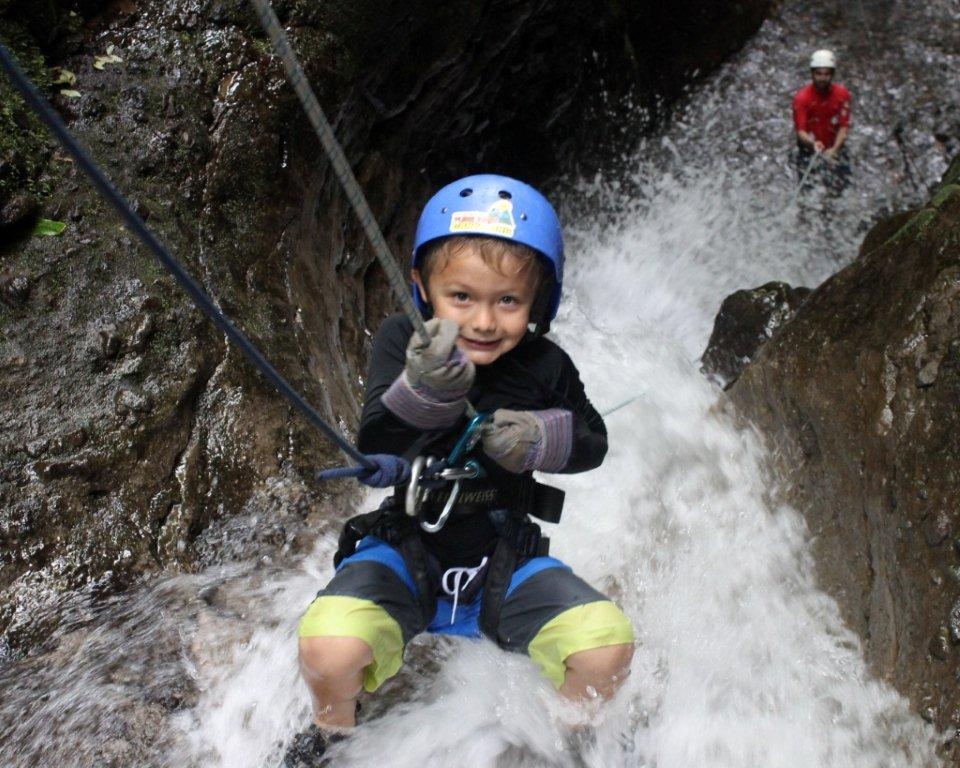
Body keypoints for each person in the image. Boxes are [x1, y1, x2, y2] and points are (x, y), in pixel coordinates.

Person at [284, 174, 635, 766]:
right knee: (328, 650)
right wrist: (425, 389)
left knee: (606, 649)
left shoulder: (548, 364)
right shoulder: (405, 340)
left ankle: (565, 740)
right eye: (461, 297)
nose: (483, 322)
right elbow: (378, 435)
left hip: (505, 557)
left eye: (508, 301)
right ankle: (331, 737)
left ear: (539, 303)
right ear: (424, 289)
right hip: (408, 549)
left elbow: (593, 443)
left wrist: (537, 440)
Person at [792, 49, 852, 194]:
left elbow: (843, 128)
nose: (822, 78)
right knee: (807, 193)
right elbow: (801, 132)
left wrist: (834, 150)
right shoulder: (802, 98)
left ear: (832, 74)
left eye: (826, 74)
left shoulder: (842, 95)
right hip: (808, 151)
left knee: (840, 191)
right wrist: (813, 144)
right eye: (818, 73)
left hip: (836, 148)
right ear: (812, 73)